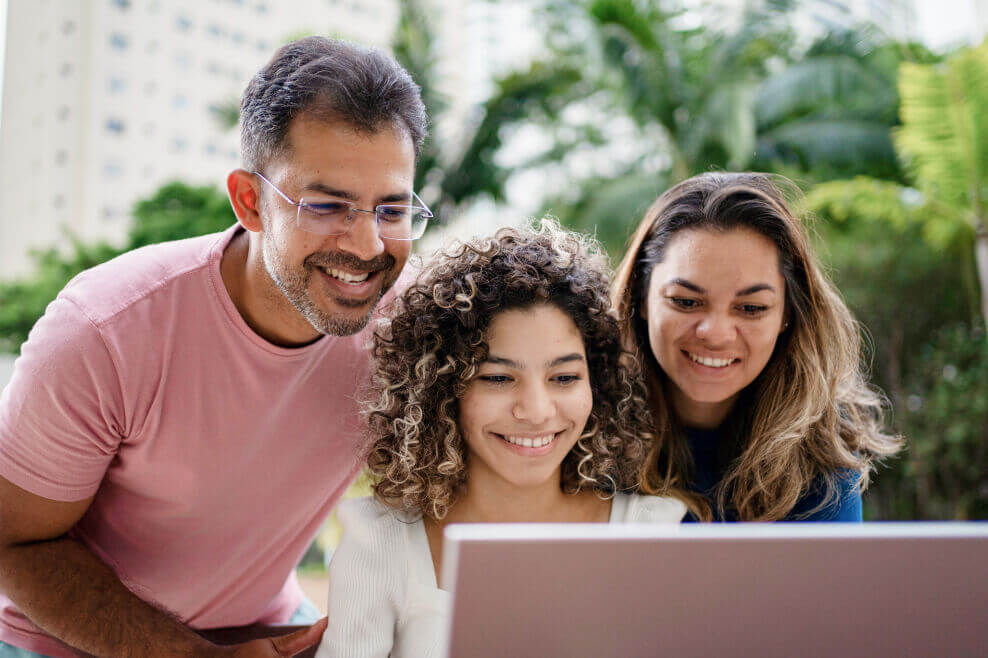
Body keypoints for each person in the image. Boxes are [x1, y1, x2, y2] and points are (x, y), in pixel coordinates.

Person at [0, 37, 430, 657]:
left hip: (263, 625)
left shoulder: (410, 328)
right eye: (327, 206)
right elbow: (15, 543)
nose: (366, 247)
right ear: (250, 201)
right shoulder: (105, 331)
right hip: (62, 641)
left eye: (391, 209)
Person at [316, 222, 687, 658]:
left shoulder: (653, 533)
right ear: (442, 390)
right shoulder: (382, 543)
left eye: (564, 377)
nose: (536, 410)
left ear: (598, 385)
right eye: (497, 378)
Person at [611, 172, 902, 522]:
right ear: (640, 298)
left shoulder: (819, 462)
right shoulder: (579, 431)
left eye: (751, 308)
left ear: (787, 315)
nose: (715, 334)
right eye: (686, 302)